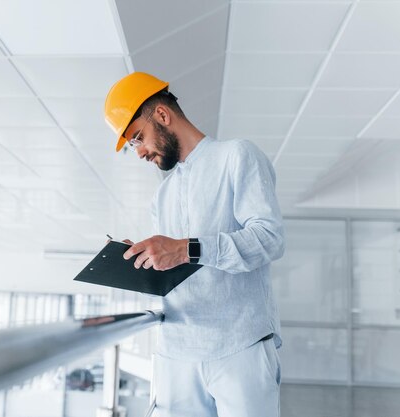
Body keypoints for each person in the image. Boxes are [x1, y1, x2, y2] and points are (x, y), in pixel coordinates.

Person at [103, 72, 285, 417]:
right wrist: (138, 261)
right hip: (176, 352)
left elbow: (269, 239)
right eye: (132, 145)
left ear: (161, 115)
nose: (139, 152)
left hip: (240, 347)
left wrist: (187, 248)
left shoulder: (237, 156)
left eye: (138, 137)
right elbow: (170, 269)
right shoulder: (163, 196)